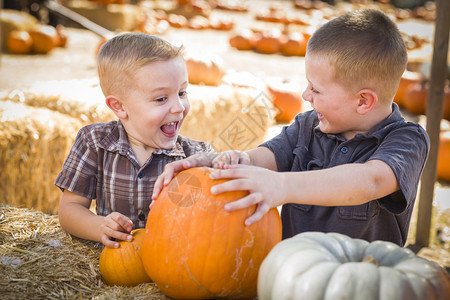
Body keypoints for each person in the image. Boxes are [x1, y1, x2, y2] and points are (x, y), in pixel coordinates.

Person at [152, 9, 430, 246]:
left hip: (361, 282)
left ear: (363, 101)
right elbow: (267, 157)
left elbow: (371, 181)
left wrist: (283, 186)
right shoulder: (308, 126)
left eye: (316, 89)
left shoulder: (406, 139)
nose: (305, 95)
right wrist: (229, 161)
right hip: (290, 277)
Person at [55, 33, 213, 248]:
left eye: (182, 92)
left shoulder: (195, 157)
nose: (179, 107)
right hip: (117, 261)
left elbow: (214, 218)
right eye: (161, 98)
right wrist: (99, 225)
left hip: (172, 262)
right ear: (119, 106)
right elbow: (69, 209)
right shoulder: (94, 143)